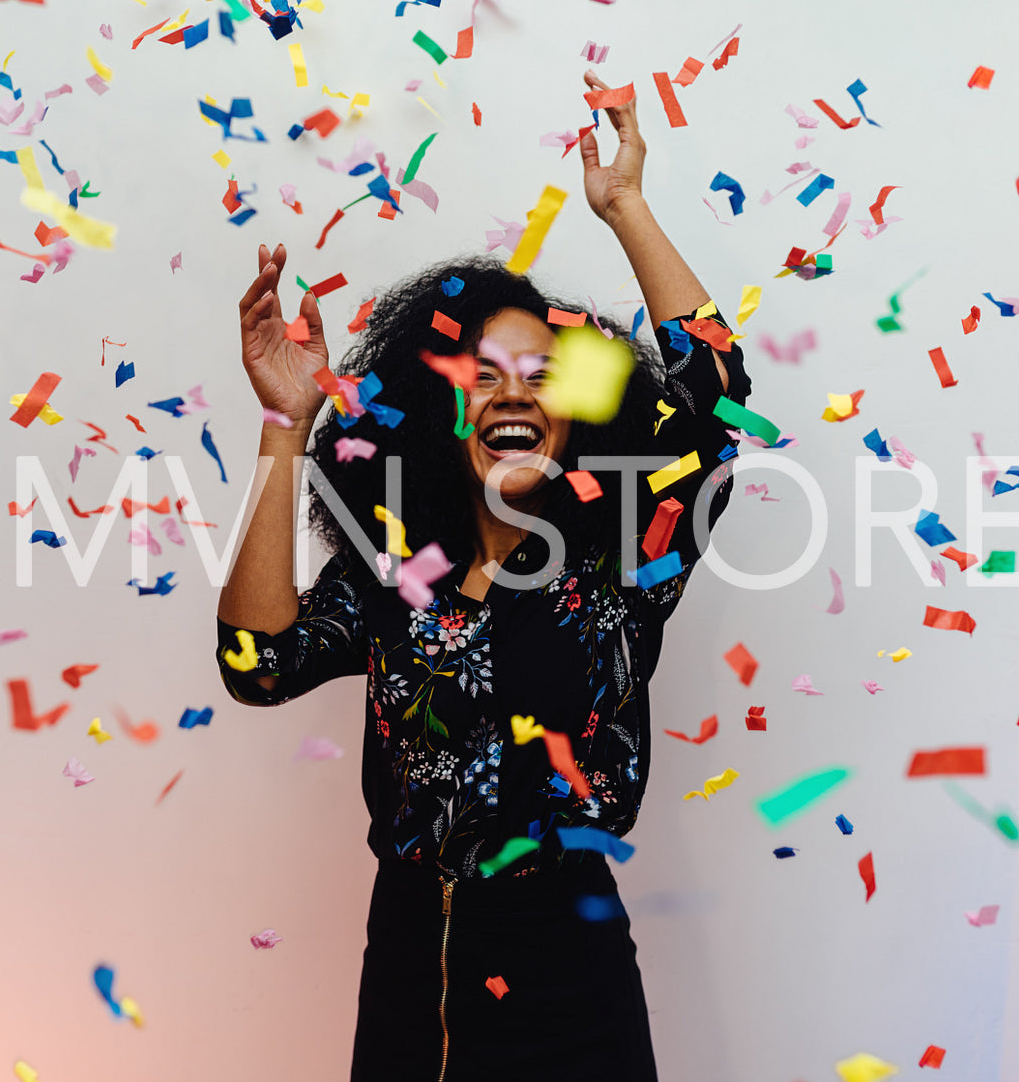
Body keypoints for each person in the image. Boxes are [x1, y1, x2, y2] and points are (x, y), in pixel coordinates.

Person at [216, 70, 752, 1082]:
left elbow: (714, 390)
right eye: (483, 378)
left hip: (570, 963)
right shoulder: (395, 580)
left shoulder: (624, 565)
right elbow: (256, 663)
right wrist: (287, 430)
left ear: (577, 417)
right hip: (413, 960)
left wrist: (625, 208)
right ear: (442, 414)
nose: (512, 394)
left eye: (539, 377)